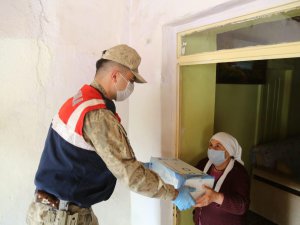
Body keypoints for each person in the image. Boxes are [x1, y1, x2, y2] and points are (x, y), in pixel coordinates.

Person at [26, 44, 195, 225]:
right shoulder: (98, 115)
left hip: (58, 211)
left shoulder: (80, 99)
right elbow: (130, 176)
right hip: (62, 217)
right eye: (130, 80)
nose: (131, 87)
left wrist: (142, 167)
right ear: (115, 75)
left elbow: (90, 156)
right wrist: (174, 195)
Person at [193, 132, 250, 225]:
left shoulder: (239, 173)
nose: (212, 149)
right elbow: (191, 179)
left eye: (218, 146)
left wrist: (216, 197)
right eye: (210, 145)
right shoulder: (204, 163)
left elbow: (241, 206)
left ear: (229, 151)